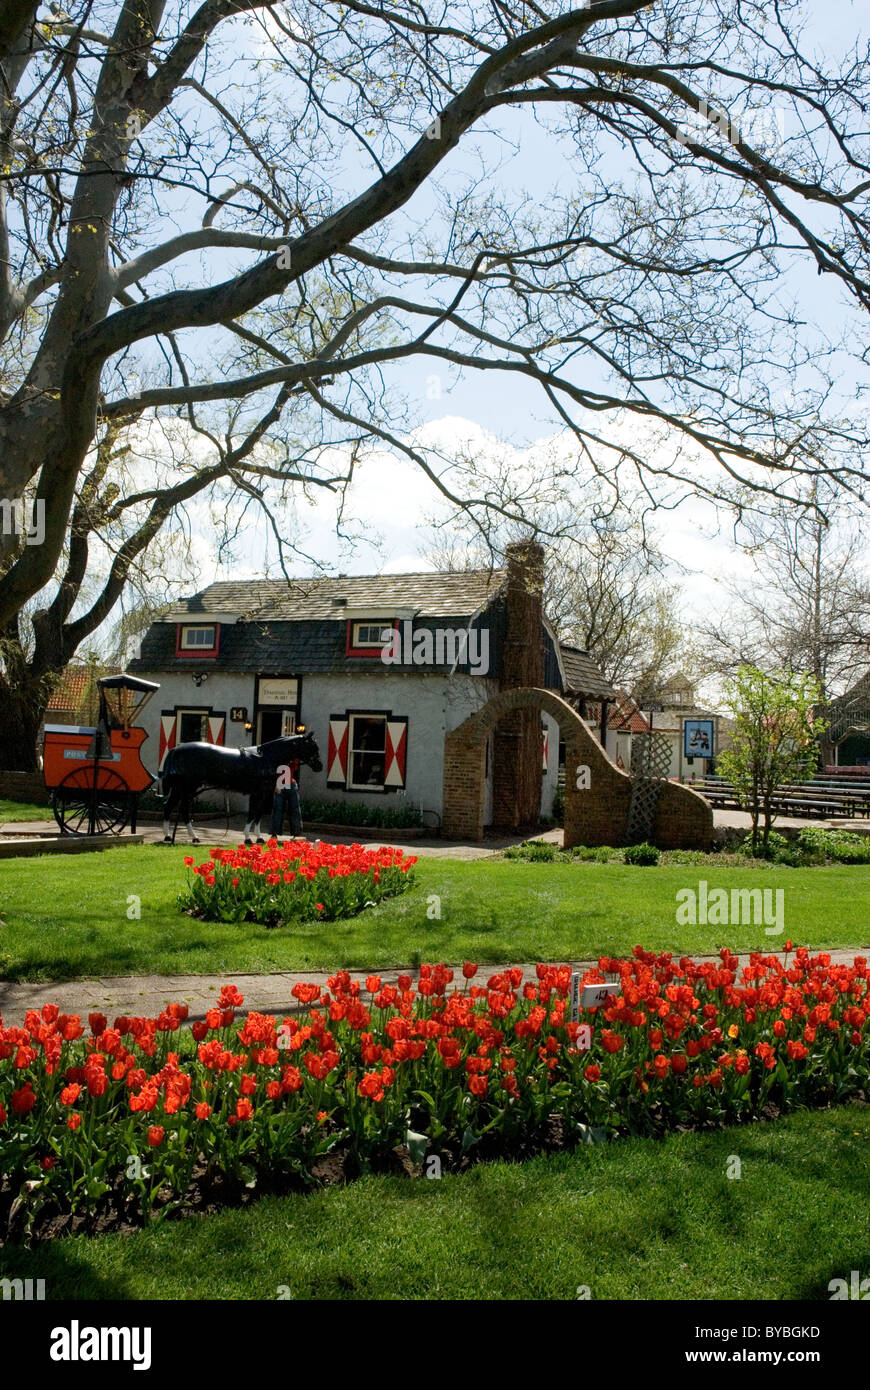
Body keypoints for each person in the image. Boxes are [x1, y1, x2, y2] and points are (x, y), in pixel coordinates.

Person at [270, 757, 302, 838]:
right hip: (281, 783)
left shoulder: (293, 755)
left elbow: (296, 766)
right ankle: (275, 833)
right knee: (278, 808)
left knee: (294, 808)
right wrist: (276, 784)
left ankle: (296, 833)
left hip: (290, 783)